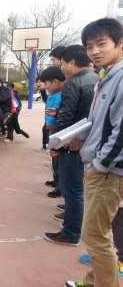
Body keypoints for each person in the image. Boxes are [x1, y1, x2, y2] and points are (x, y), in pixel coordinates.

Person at [65, 18, 123, 287]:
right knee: (100, 233)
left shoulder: (120, 77)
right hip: (101, 166)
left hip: (108, 171)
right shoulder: (107, 76)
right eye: (90, 46)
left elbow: (121, 131)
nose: (95, 51)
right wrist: (82, 137)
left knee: (95, 236)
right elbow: (101, 122)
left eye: (102, 44)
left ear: (120, 43)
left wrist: (101, 164)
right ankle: (92, 282)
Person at [43, 45, 99, 247]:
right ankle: (73, 228)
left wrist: (55, 145)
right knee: (78, 189)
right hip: (87, 140)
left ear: (72, 62)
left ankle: (70, 233)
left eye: (63, 64)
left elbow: (66, 117)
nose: (62, 68)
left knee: (72, 190)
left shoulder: (74, 83)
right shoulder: (97, 79)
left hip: (72, 143)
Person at [39, 66, 66, 196]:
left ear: (55, 82)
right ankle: (56, 180)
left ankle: (60, 187)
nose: (44, 86)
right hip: (53, 127)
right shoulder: (52, 94)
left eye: (46, 83)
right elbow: (49, 108)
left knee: (57, 156)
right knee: (55, 156)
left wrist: (50, 123)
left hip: (58, 128)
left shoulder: (61, 94)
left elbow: (54, 111)